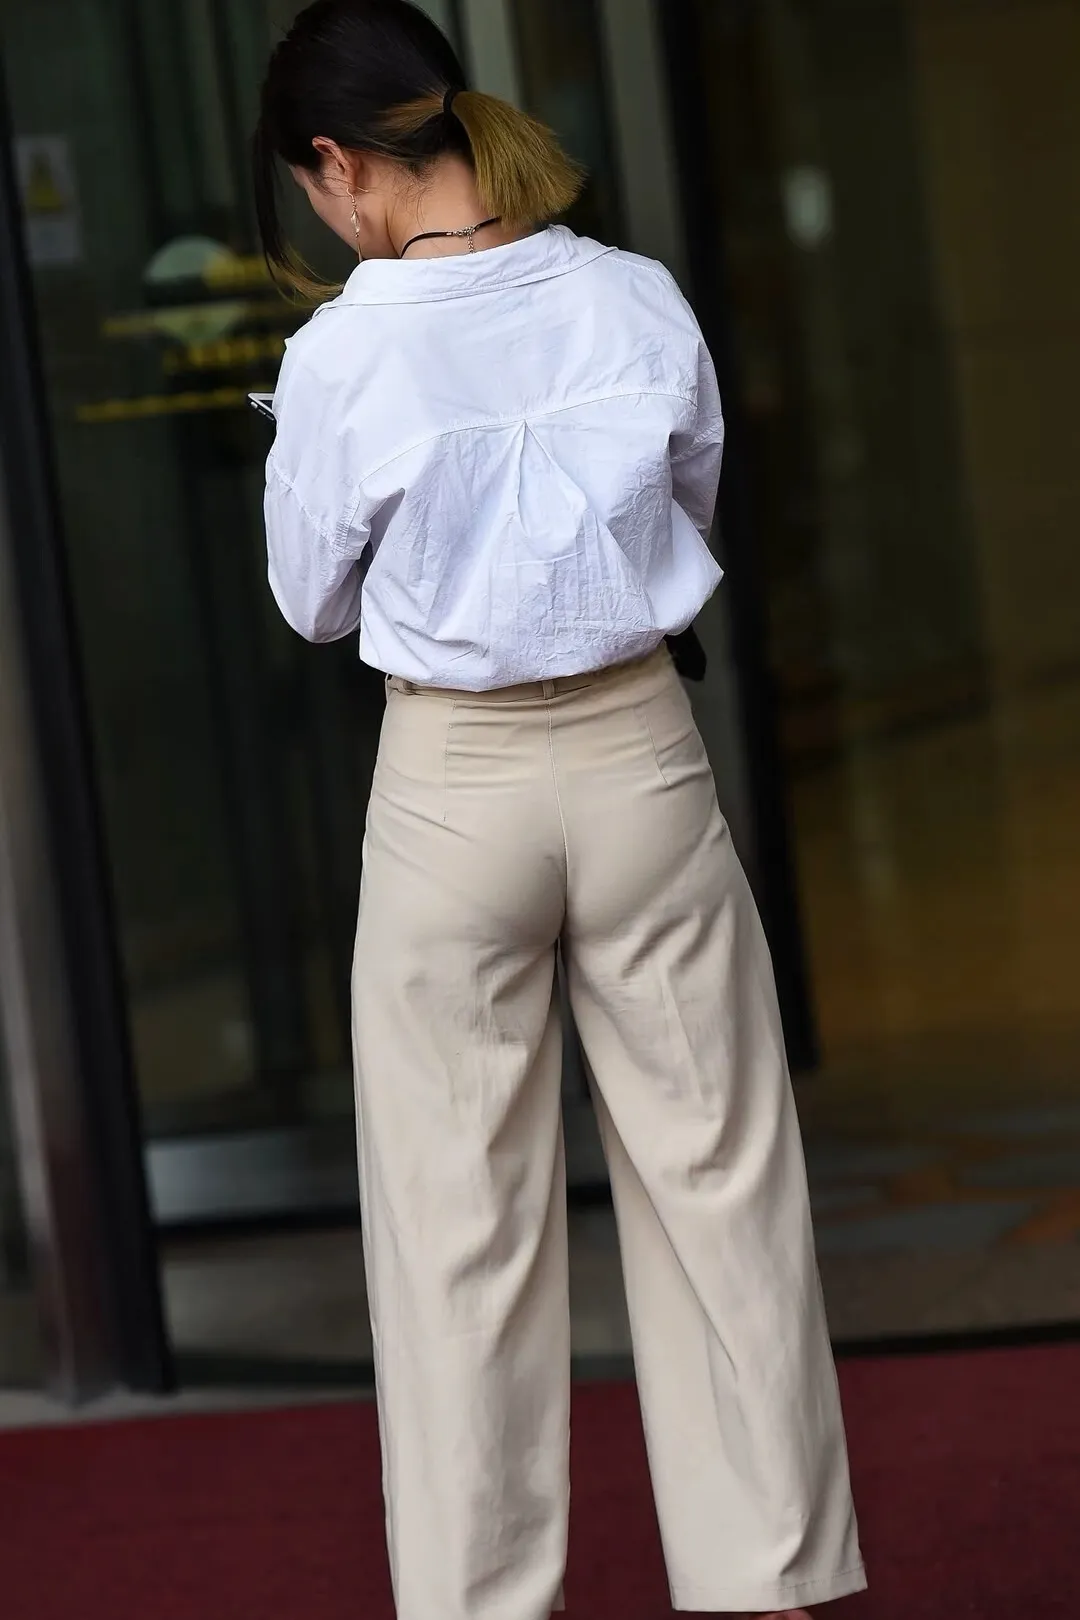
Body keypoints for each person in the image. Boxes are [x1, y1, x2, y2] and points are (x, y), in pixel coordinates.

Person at [253, 4, 866, 1618]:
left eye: (312, 192)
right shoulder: (634, 295)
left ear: (340, 164)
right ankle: (772, 1589)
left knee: (458, 1233)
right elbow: (690, 507)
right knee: (721, 1184)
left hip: (452, 790)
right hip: (641, 755)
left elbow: (312, 602)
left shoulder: (343, 354)